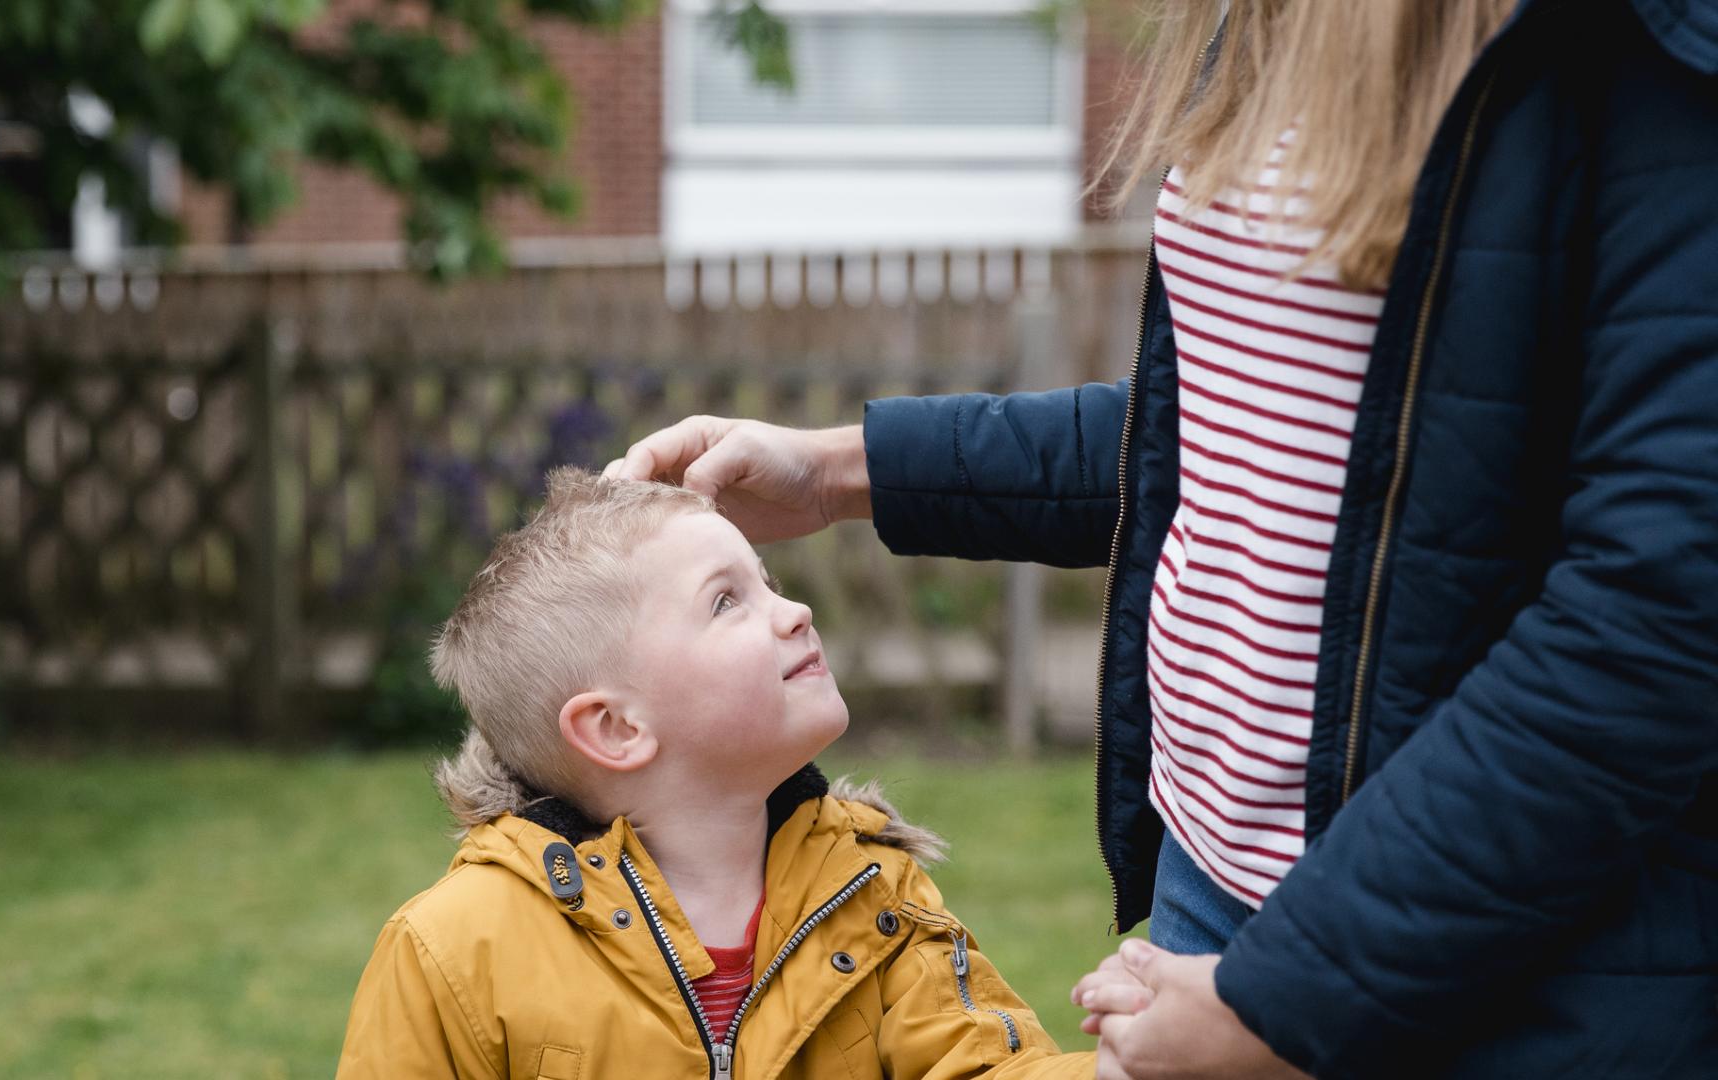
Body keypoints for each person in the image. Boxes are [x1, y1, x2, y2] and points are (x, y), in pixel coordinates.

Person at [606, 0, 1718, 1075]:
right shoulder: (1266, 23)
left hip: (1457, 968)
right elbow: (1228, 435)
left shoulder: (1640, 47)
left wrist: (1293, 995)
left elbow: (1654, 621)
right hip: (1211, 901)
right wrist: (838, 471)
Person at [334, 469, 1094, 1079]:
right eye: (726, 600)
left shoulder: (872, 896)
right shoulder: (456, 950)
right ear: (617, 727)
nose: (793, 610)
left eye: (767, 580)